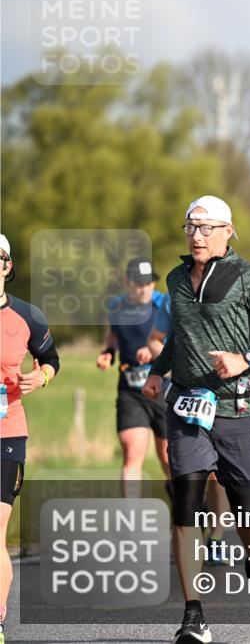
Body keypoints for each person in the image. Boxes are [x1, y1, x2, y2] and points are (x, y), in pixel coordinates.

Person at [142, 196, 250, 644]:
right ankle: (193, 614)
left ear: (228, 231)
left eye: (206, 228)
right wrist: (158, 370)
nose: (197, 235)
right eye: (191, 227)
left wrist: (245, 359)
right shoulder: (175, 278)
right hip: (188, 409)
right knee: (186, 505)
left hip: (236, 409)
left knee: (245, 505)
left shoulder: (248, 277)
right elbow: (181, 334)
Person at [0, 233, 60, 644]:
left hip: (7, 434)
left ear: (7, 265)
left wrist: (41, 377)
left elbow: (51, 358)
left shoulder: (27, 316)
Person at [147, 286, 232, 567]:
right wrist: (172, 367)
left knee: (217, 475)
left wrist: (239, 361)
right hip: (185, 395)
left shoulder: (236, 289)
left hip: (224, 392)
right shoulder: (176, 295)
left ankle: (216, 538)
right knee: (186, 471)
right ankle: (189, 531)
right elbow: (155, 339)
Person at [96, 259, 170, 496]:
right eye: (139, 283)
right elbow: (114, 334)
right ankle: (131, 515)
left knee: (169, 459)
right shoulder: (117, 307)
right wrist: (108, 352)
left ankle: (185, 509)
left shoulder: (165, 304)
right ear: (127, 282)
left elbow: (180, 338)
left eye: (149, 282)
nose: (144, 288)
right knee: (132, 456)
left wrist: (156, 349)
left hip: (164, 389)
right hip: (131, 390)